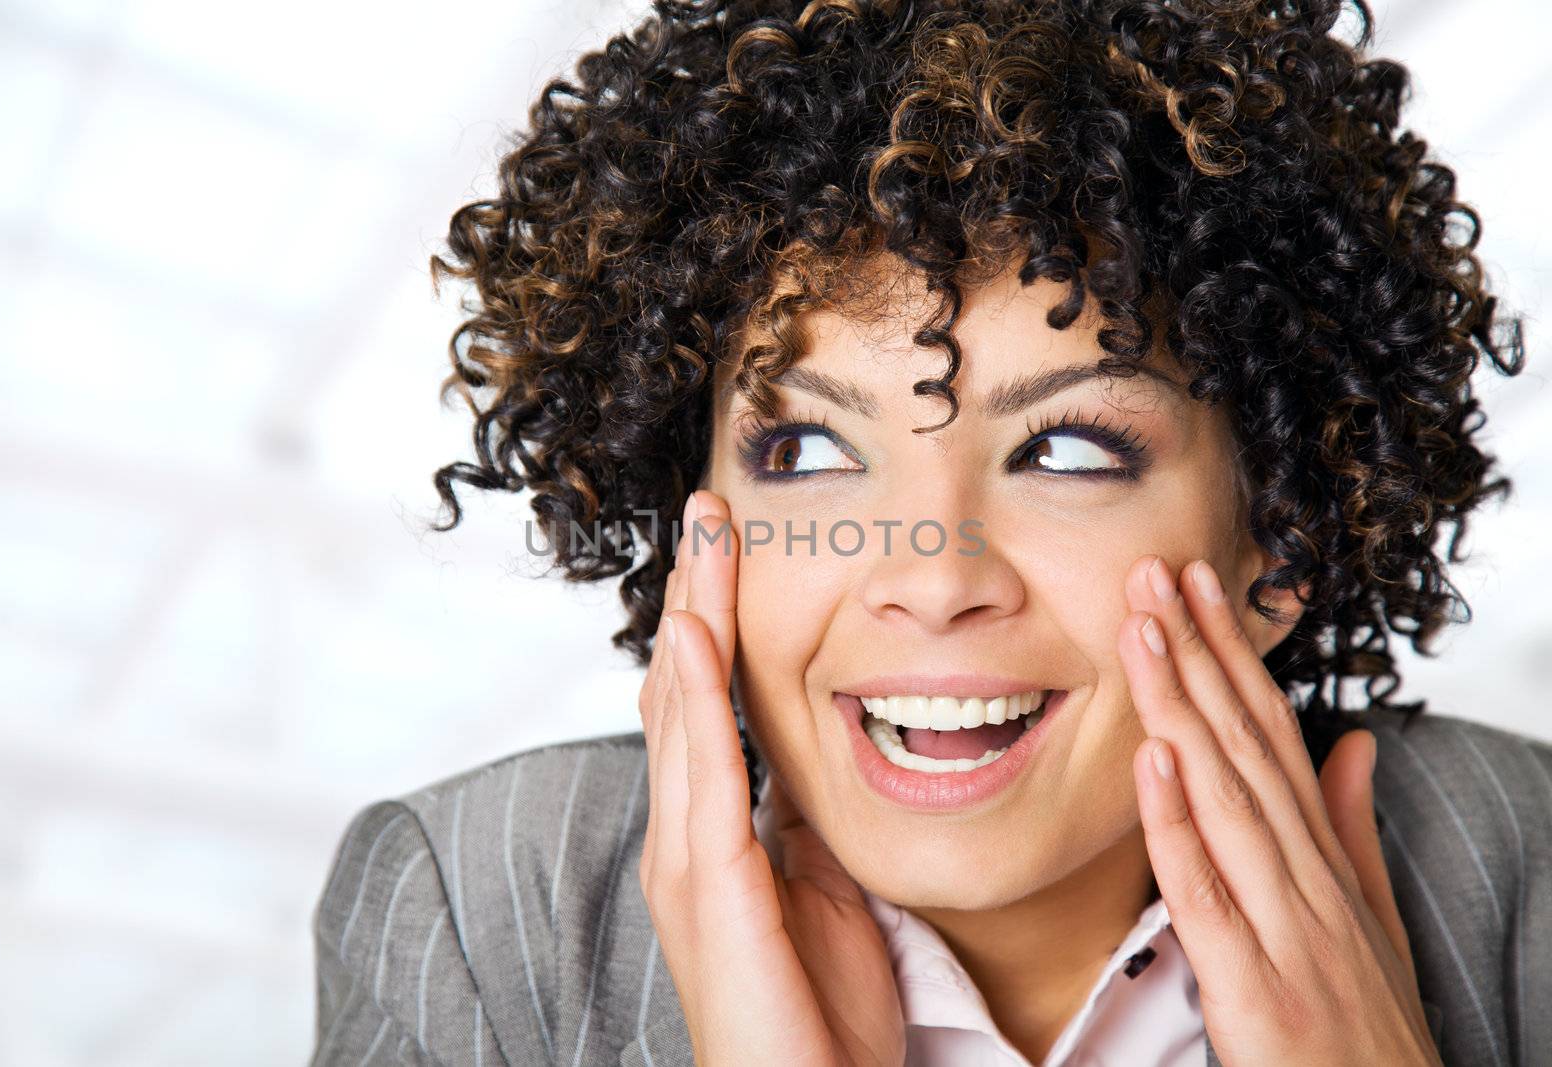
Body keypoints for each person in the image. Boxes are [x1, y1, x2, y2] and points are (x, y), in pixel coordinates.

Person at [309, 1, 1552, 1064]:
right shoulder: (476, 912)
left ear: (1279, 540)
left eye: (1067, 450)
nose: (930, 577)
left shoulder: (1522, 870)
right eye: (803, 452)